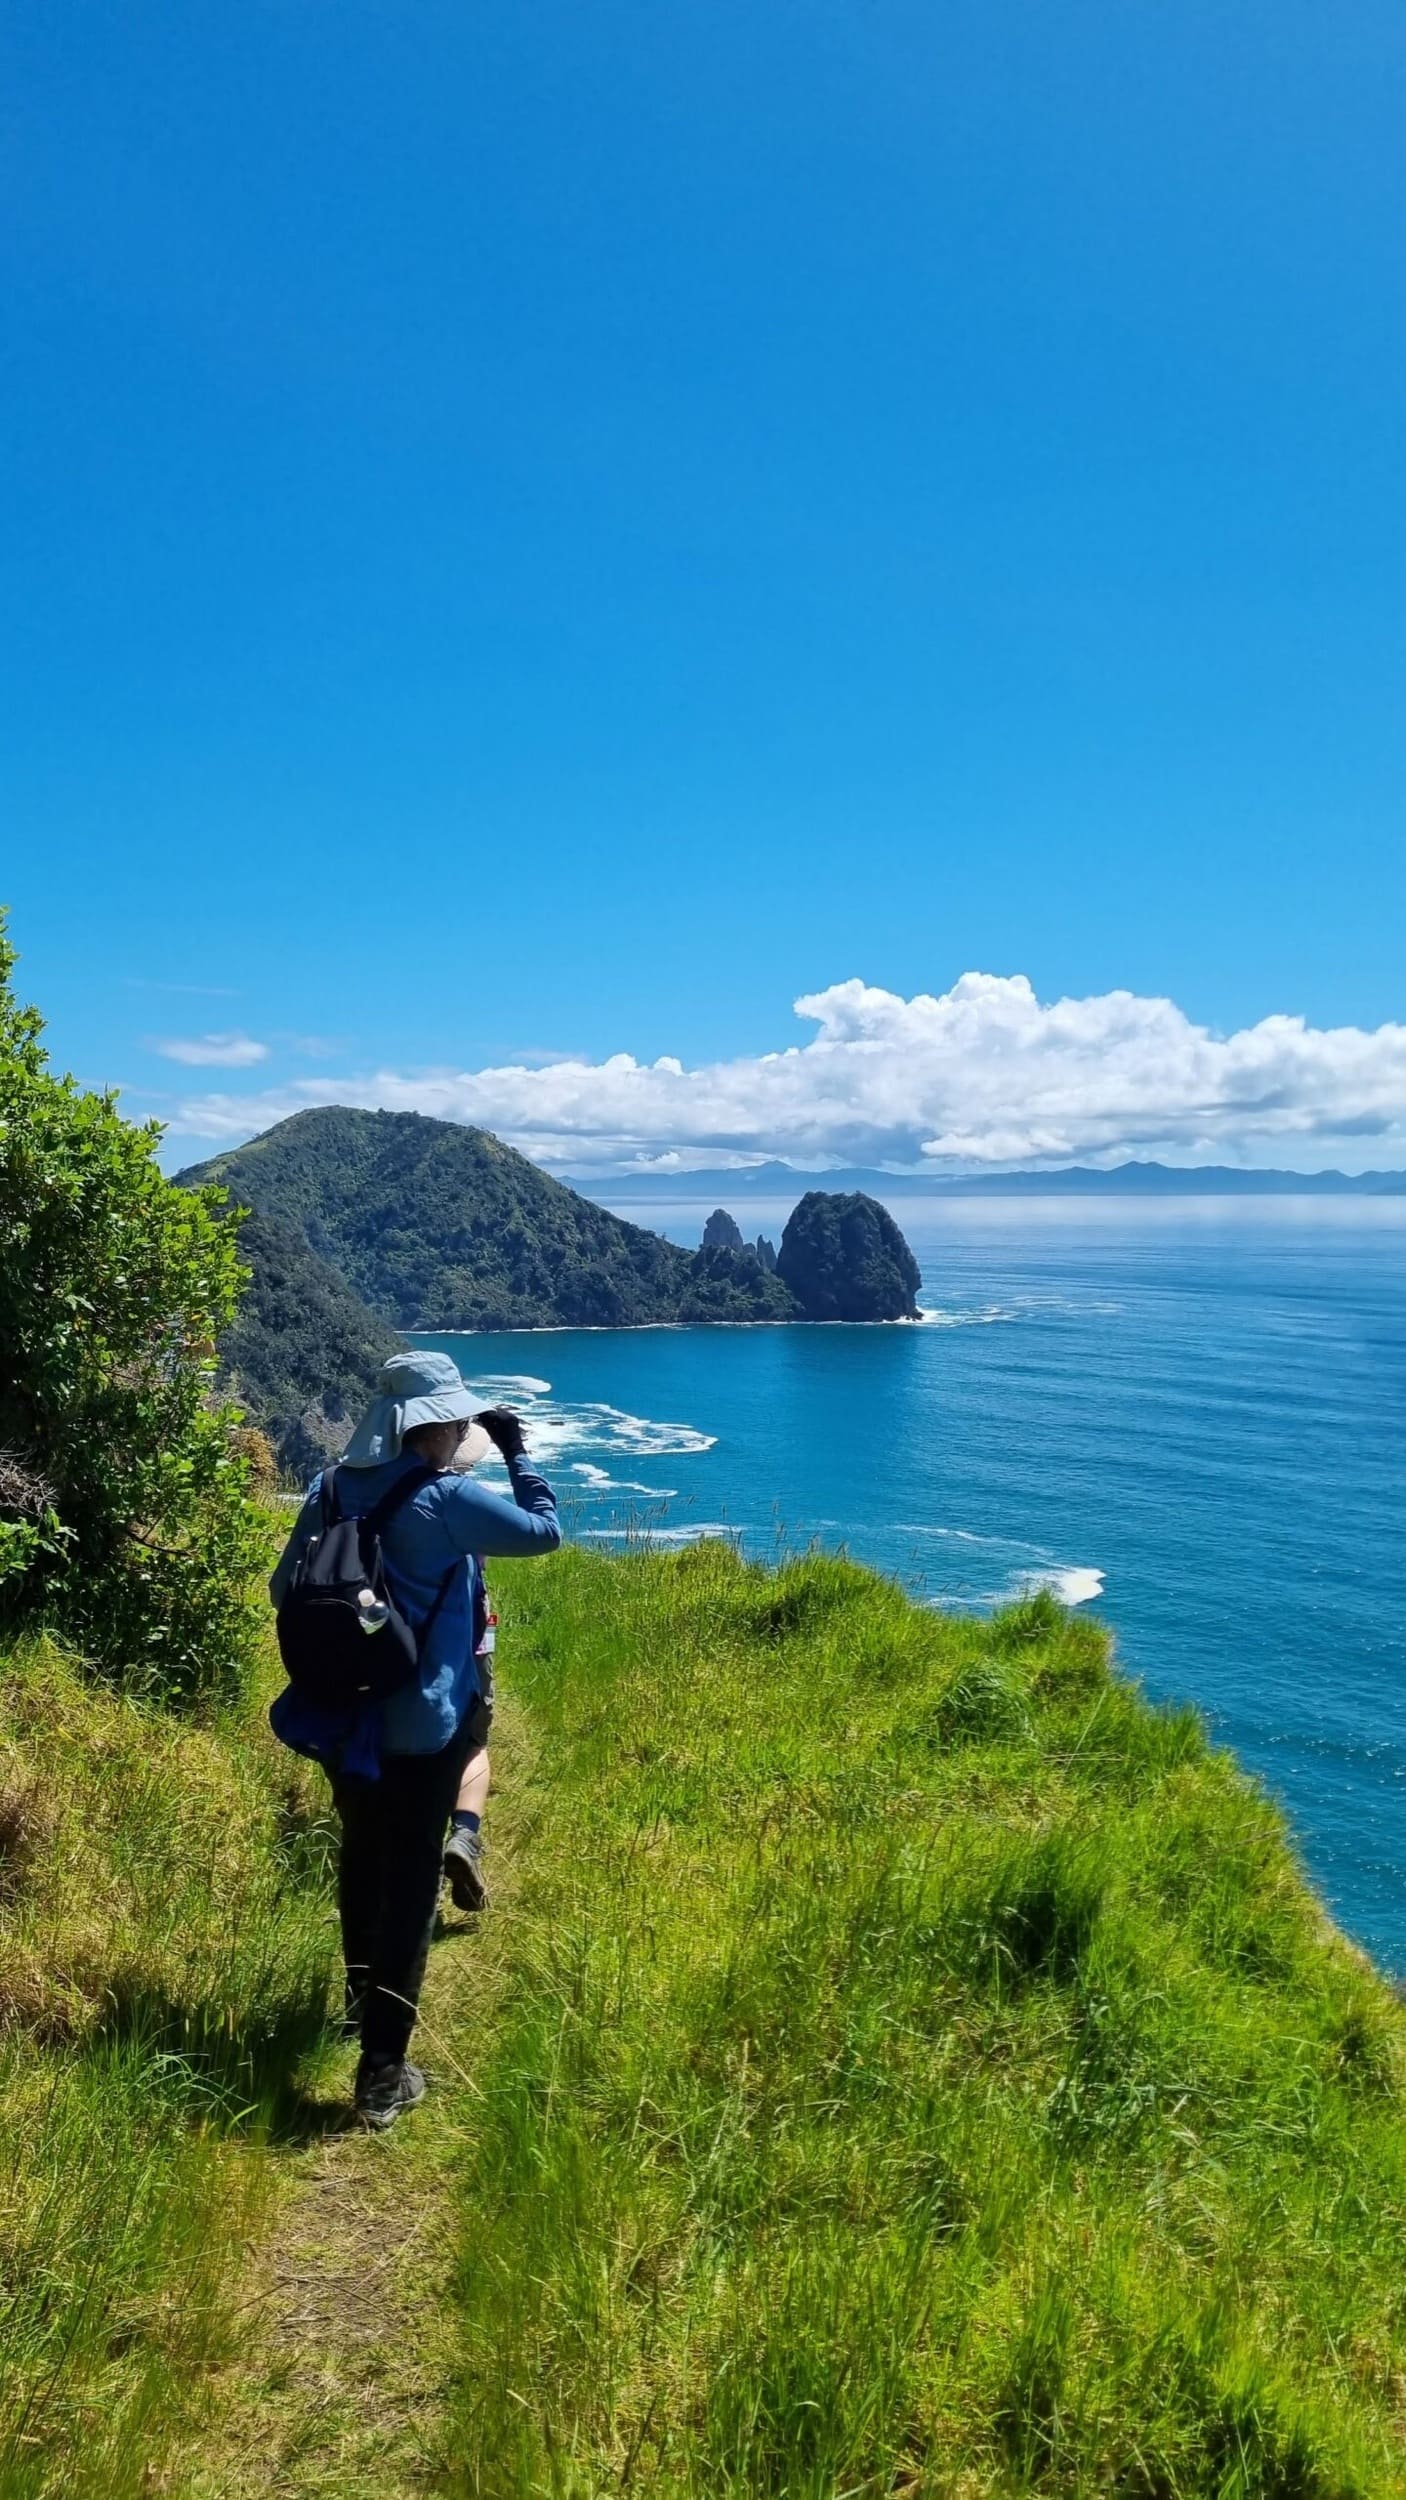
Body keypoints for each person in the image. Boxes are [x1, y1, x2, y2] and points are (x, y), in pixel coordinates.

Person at [269, 1351, 560, 2129]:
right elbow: (543, 1532)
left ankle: (362, 2004)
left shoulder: (327, 1490)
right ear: (437, 1428)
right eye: (459, 1418)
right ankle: (382, 2075)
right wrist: (519, 1454)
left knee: (360, 1859)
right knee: (408, 1888)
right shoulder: (445, 1499)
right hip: (422, 1726)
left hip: (340, 1716)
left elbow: (282, 1591)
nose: (464, 1427)